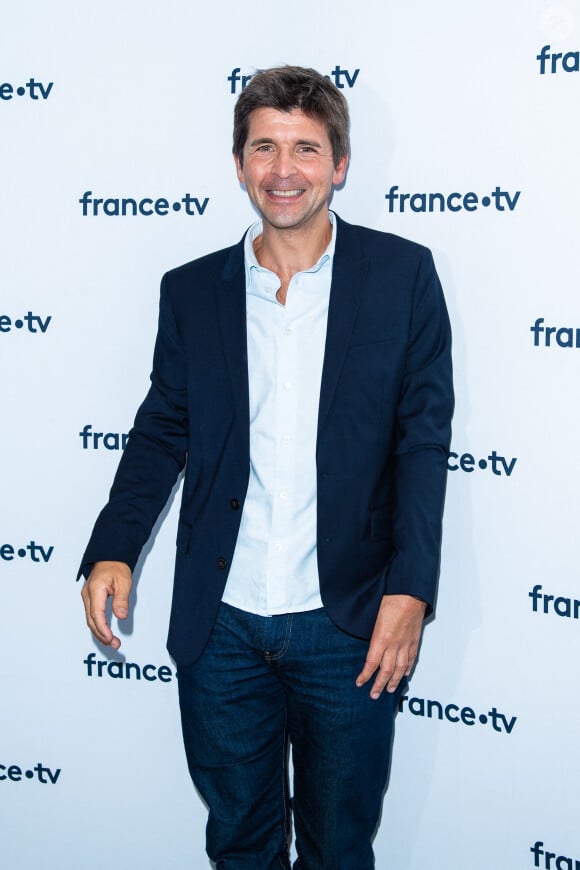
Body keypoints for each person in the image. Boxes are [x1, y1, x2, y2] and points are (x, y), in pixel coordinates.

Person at [80, 65, 453, 869]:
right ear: (241, 163)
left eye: (306, 149)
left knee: (338, 848)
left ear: (340, 164)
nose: (284, 171)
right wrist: (113, 547)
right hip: (222, 627)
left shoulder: (403, 279)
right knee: (240, 845)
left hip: (348, 624)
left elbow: (422, 446)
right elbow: (161, 430)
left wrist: (412, 590)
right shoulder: (189, 292)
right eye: (264, 148)